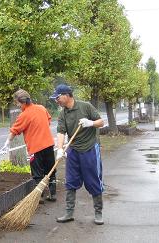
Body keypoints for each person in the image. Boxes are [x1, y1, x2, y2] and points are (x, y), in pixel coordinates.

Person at [50, 84, 105, 225]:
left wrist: (90, 123)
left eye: (58, 97)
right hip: (73, 149)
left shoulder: (85, 106)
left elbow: (101, 122)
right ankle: (69, 213)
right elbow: (61, 132)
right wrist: (60, 149)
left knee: (93, 180)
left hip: (89, 148)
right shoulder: (62, 113)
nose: (57, 100)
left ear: (66, 95)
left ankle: (98, 213)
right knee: (71, 181)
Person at [3, 89, 57, 202]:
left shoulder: (24, 115)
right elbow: (48, 121)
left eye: (18, 104)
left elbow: (14, 131)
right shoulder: (42, 108)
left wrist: (7, 142)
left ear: (22, 102)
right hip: (48, 144)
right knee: (50, 170)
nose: (18, 106)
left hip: (35, 148)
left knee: (37, 173)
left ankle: (39, 196)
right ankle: (53, 194)